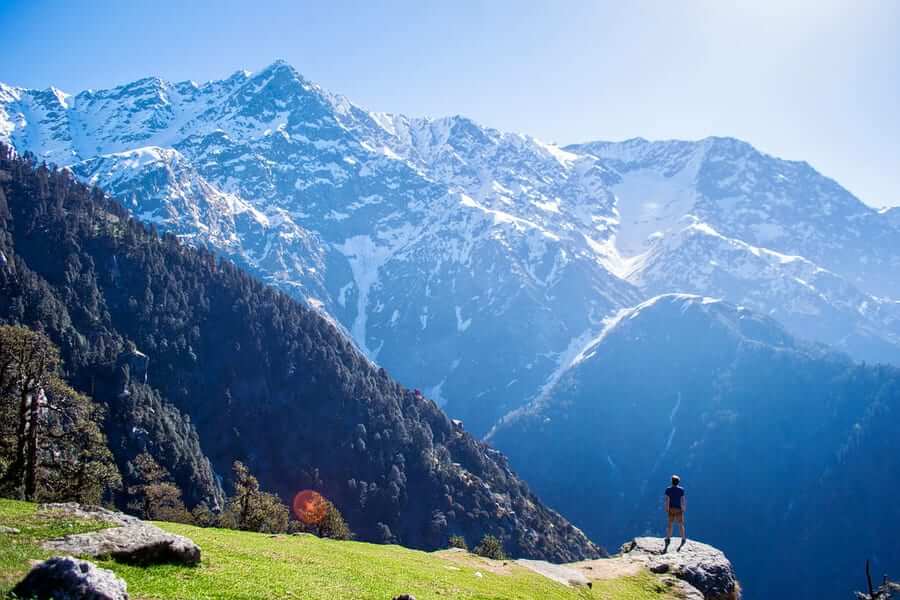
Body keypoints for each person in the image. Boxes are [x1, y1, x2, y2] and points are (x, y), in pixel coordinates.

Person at [663, 474, 686, 552]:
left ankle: (668, 538)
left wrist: (666, 508)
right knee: (681, 524)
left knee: (670, 524)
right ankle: (683, 538)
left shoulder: (668, 489)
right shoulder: (681, 490)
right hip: (679, 509)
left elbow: (667, 500)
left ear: (672, 481)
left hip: (671, 509)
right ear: (678, 482)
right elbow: (682, 500)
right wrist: (683, 508)